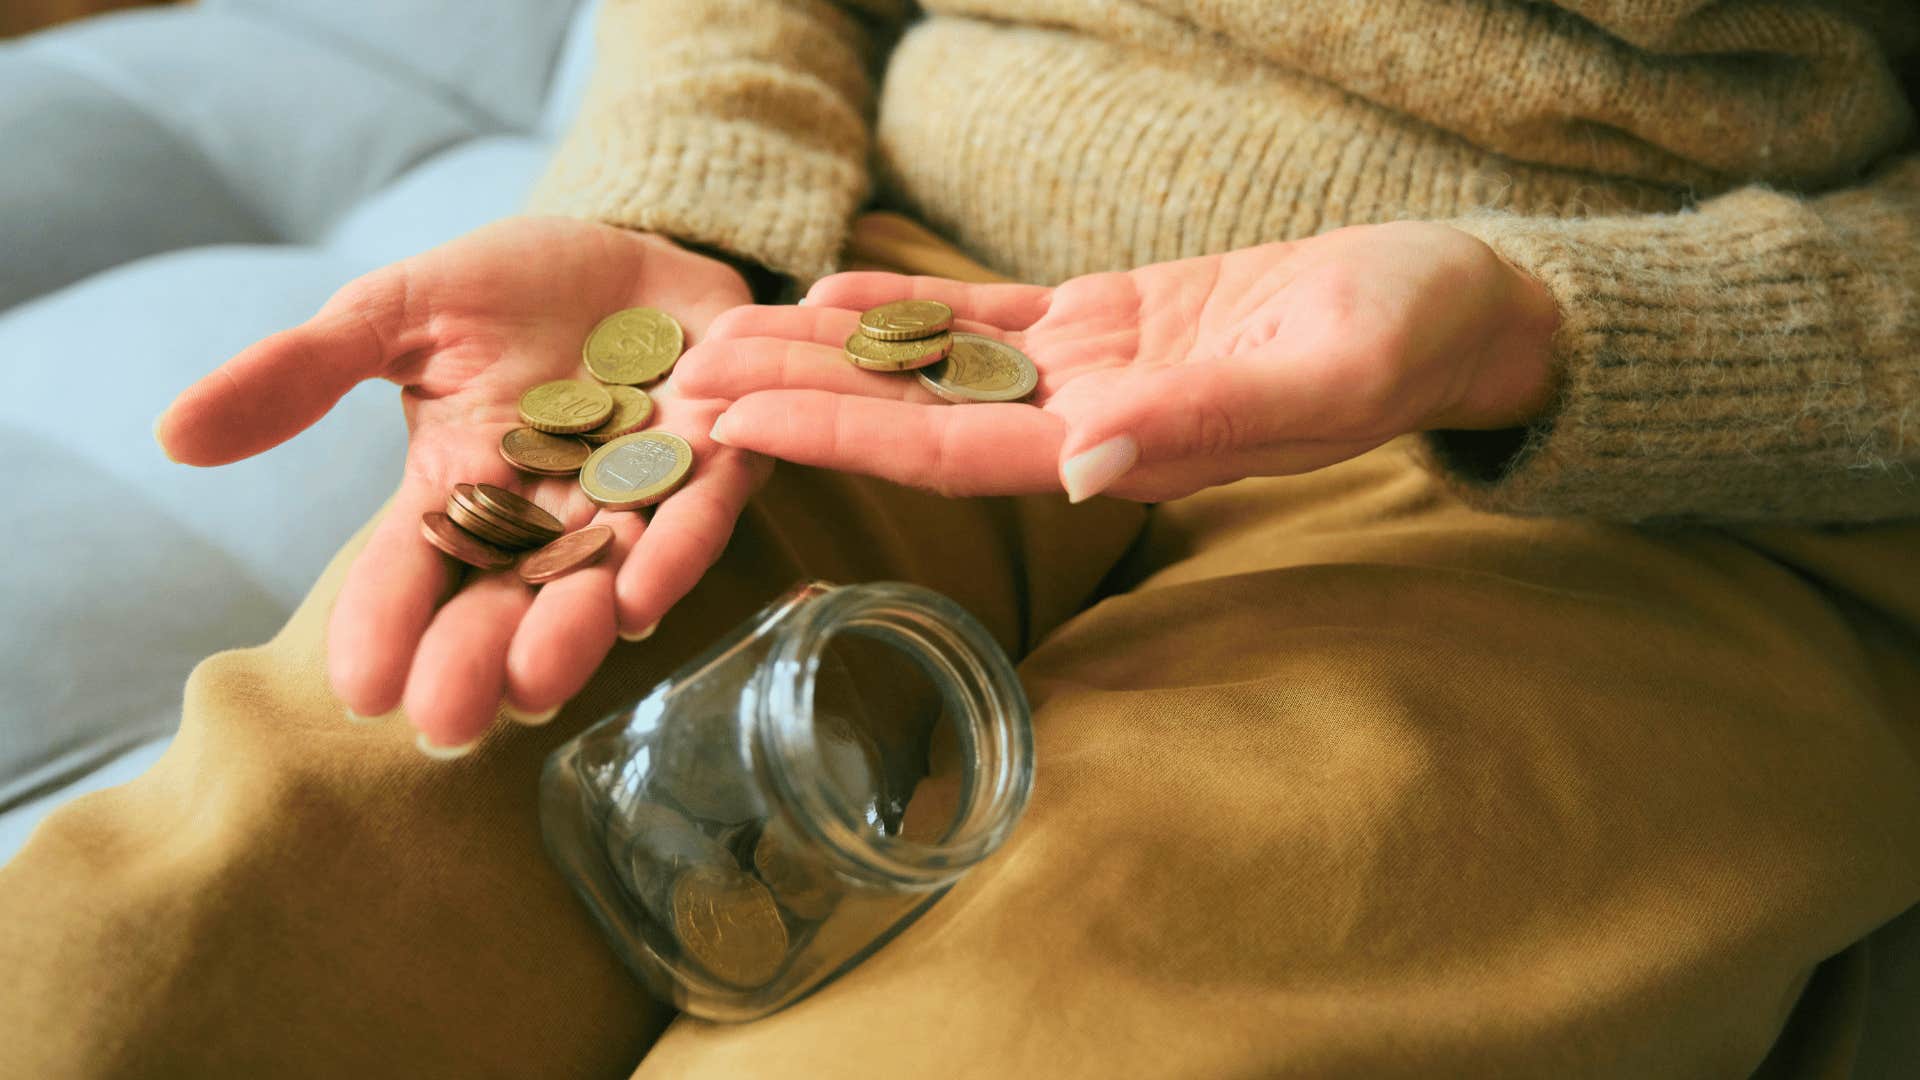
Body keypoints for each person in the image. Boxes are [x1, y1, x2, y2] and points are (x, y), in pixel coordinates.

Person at [2, 0, 1916, 1075]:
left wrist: (1542, 330)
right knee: (188, 935)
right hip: (883, 322)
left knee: (1027, 1038)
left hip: (1670, 456)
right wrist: (690, 206)